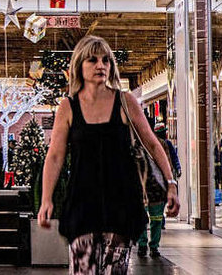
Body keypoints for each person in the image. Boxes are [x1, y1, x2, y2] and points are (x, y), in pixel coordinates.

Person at [38, 36, 180, 274]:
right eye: (92, 60)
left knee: (115, 270)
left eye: (105, 60)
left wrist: (171, 183)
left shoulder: (125, 102)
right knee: (83, 269)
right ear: (79, 66)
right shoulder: (68, 107)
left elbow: (153, 145)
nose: (100, 65)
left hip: (121, 203)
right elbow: (55, 156)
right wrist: (46, 199)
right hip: (83, 203)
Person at [136, 123, 180, 258]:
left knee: (154, 218)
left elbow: (168, 163)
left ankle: (150, 246)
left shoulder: (160, 144)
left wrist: (170, 182)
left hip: (154, 187)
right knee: (150, 219)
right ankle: (146, 245)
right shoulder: (137, 145)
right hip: (146, 187)